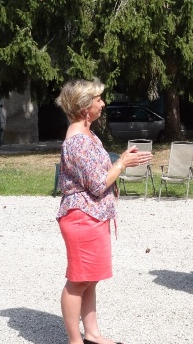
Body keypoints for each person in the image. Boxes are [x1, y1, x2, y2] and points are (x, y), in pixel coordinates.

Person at [55, 78, 152, 344]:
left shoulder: (88, 134)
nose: (103, 103)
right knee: (78, 281)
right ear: (85, 107)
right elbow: (98, 184)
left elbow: (96, 174)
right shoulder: (78, 141)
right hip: (82, 218)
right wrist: (121, 163)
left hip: (92, 216)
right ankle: (75, 340)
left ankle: (93, 334)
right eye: (98, 99)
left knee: (90, 279)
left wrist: (120, 159)